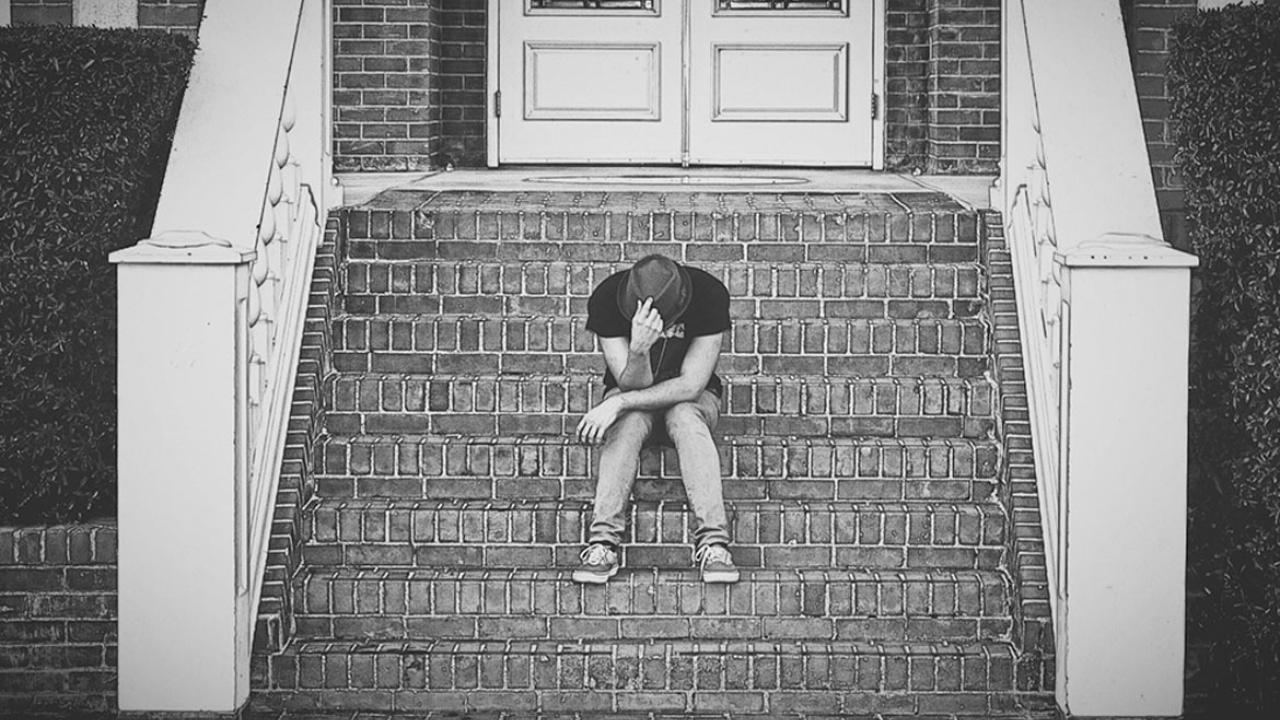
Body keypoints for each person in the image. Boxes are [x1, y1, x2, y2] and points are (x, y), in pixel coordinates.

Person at [572, 254, 739, 584]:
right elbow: (630, 384)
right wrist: (638, 350)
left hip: (691, 399)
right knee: (627, 423)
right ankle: (603, 544)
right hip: (633, 396)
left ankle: (714, 545)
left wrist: (618, 403)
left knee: (684, 416)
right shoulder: (607, 299)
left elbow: (691, 385)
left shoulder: (708, 293)